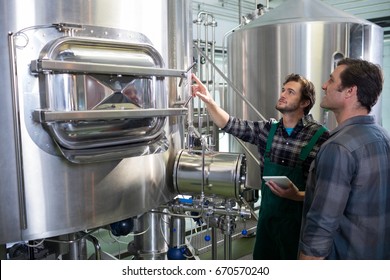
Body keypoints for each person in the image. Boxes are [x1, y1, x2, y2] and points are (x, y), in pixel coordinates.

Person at [191, 73, 329, 259]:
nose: (282, 94)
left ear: (304, 102)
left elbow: (326, 192)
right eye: (283, 90)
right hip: (267, 223)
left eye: (290, 92)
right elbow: (230, 124)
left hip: (300, 227)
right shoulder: (267, 130)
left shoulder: (320, 137)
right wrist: (209, 101)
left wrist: (297, 196)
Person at [299, 58, 390, 260]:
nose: (323, 85)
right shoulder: (383, 137)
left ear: (350, 91)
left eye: (331, 80)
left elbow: (321, 226)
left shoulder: (338, 147)